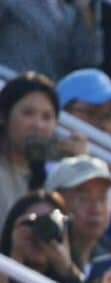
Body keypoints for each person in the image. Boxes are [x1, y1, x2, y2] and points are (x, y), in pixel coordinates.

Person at [0, 73, 86, 227]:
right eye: (28, 113)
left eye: (47, 117)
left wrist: (79, 167)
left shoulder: (51, 175)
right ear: (4, 115)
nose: (38, 125)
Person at [0, 0, 102, 80]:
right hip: (9, 81)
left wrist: (85, 10)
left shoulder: (71, 14)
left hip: (43, 95)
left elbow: (89, 60)